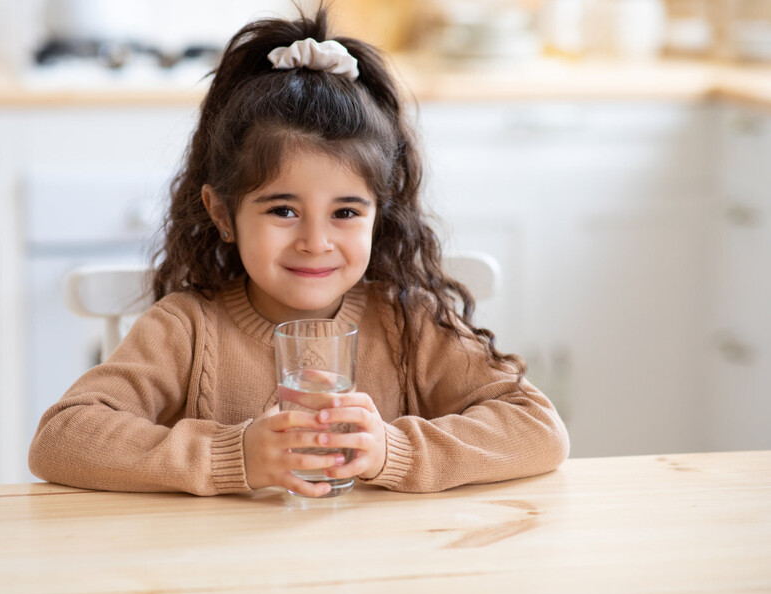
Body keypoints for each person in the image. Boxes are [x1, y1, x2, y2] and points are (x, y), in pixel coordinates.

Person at [29, 7, 570, 498]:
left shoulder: (410, 322)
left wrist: (392, 449)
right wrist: (232, 456)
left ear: (379, 216)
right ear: (223, 214)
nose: (315, 240)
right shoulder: (185, 330)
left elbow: (538, 429)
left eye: (346, 212)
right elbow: (61, 438)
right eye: (283, 210)